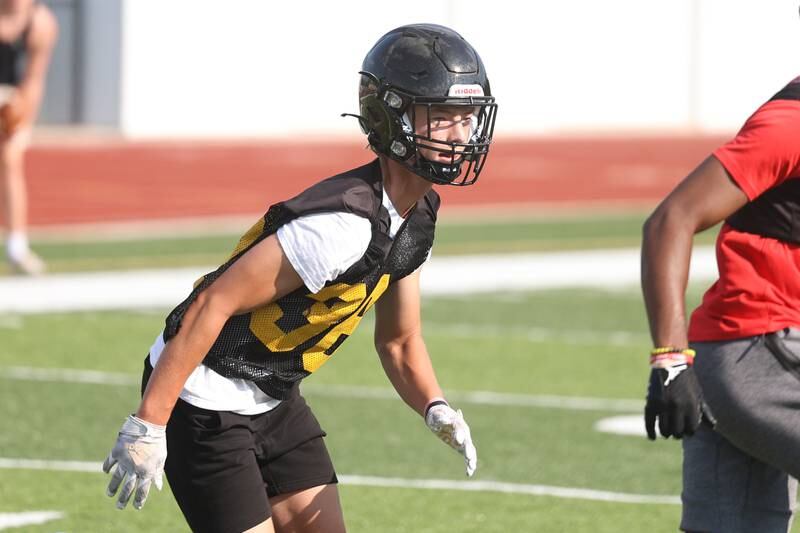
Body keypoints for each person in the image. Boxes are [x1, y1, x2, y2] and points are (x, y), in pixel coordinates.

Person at [102, 23, 498, 533]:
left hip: (273, 395)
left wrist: (434, 405)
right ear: (391, 117)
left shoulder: (417, 215)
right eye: (442, 117)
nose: (461, 134)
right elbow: (210, 305)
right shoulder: (340, 226)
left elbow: (400, 341)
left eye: (467, 116)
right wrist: (149, 421)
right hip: (204, 398)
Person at [642, 74, 800, 532]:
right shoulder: (790, 121)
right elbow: (671, 219)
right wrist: (670, 360)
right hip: (759, 350)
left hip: (747, 357)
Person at [0, 0, 56, 275]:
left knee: (10, 159)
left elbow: (34, 77)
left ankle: (17, 247)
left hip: (11, 99)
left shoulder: (39, 22)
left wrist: (22, 117)